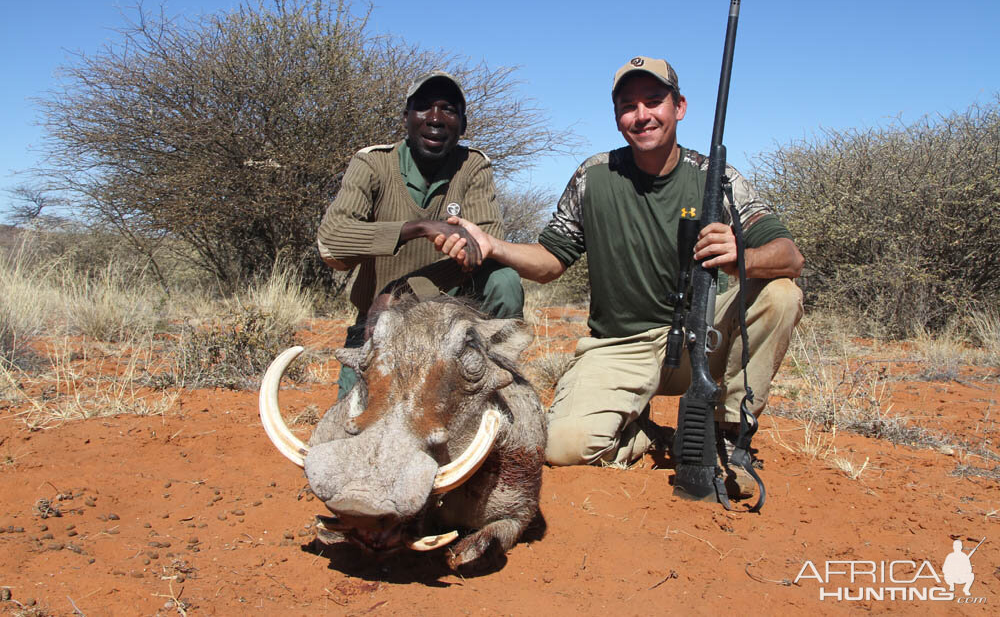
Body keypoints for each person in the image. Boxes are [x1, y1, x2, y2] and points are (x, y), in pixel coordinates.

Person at [432, 57, 804, 499]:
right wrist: (493, 245)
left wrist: (741, 256)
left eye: (654, 101)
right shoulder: (593, 176)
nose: (641, 115)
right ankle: (648, 434)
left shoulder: (718, 179)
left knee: (781, 294)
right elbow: (551, 260)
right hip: (620, 344)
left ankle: (725, 434)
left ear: (679, 107)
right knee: (561, 445)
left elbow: (790, 256)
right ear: (616, 116)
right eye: (628, 105)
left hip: (700, 339)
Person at [317, 70, 524, 397]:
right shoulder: (372, 163)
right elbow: (332, 242)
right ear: (406, 117)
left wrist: (400, 290)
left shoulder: (473, 166)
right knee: (351, 427)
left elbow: (483, 249)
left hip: (451, 323)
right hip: (378, 324)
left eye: (449, 109)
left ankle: (501, 392)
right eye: (424, 107)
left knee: (504, 280)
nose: (436, 119)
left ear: (463, 125)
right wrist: (421, 228)